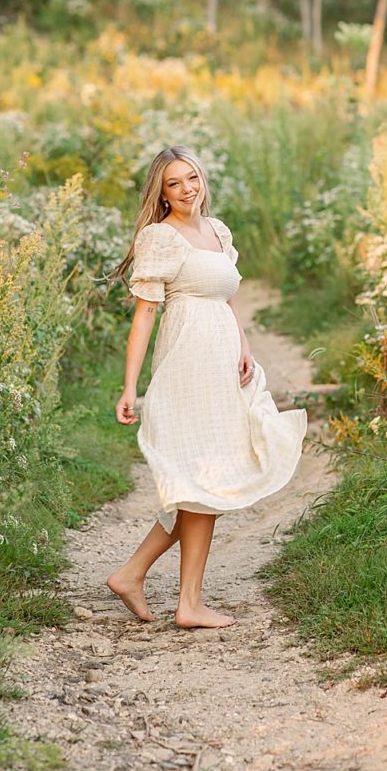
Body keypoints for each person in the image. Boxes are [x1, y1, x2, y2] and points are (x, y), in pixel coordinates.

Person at [105, 146, 305, 629]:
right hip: (188, 366)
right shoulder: (161, 238)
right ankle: (179, 598)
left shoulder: (217, 231)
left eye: (192, 177)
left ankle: (145, 581)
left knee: (208, 481)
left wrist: (245, 345)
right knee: (200, 479)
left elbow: (226, 299)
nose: (187, 189)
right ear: (163, 192)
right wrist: (130, 388)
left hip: (223, 363)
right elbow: (145, 314)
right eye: (175, 183)